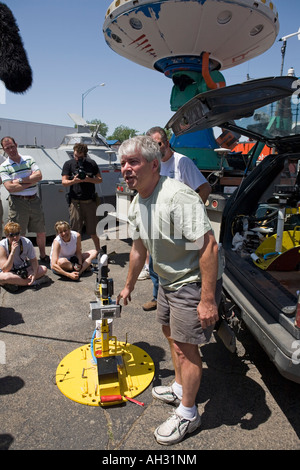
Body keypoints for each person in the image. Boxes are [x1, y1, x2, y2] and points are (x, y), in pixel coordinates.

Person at [117, 135, 222, 446]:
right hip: (165, 280)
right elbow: (138, 249)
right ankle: (179, 387)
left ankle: (189, 414)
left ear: (153, 165)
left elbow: (209, 247)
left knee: (186, 349)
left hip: (190, 280)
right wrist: (128, 286)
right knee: (169, 333)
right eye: (122, 163)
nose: (126, 169)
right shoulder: (138, 201)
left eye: (132, 162)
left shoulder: (177, 197)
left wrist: (206, 300)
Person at [141, 126, 211, 311]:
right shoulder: (154, 164)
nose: (157, 149)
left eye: (159, 144)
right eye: (152, 146)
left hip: (180, 227)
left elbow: (205, 188)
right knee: (156, 263)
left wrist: (192, 217)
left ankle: (192, 301)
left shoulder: (182, 162)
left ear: (167, 142)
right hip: (158, 224)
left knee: (185, 266)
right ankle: (158, 298)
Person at [0, 136, 49, 263]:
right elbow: (10, 187)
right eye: (7, 148)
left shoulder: (28, 159)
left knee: (41, 231)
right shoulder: (4, 166)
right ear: (4, 150)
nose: (11, 150)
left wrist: (20, 181)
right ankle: (20, 259)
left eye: (12, 146)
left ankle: (43, 256)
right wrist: (30, 182)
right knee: (18, 233)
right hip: (18, 203)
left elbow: (39, 175)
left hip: (34, 200)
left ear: (16, 144)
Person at [61, 143, 102, 252]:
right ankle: (76, 253)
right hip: (75, 202)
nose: (77, 158)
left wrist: (89, 179)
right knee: (75, 231)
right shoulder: (68, 164)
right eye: (75, 155)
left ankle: (98, 251)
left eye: (79, 157)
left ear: (85, 155)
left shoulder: (91, 163)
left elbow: (99, 179)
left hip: (90, 202)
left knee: (93, 230)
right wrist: (73, 181)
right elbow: (64, 182)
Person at [0, 222, 48, 292]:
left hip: (22, 269)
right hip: (8, 271)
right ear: (7, 236)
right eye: (11, 235)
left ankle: (15, 283)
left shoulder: (26, 242)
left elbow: (33, 260)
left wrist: (34, 273)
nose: (15, 237)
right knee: (5, 277)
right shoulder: (2, 245)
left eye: (17, 234)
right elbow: (5, 269)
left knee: (43, 269)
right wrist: (12, 252)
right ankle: (34, 282)